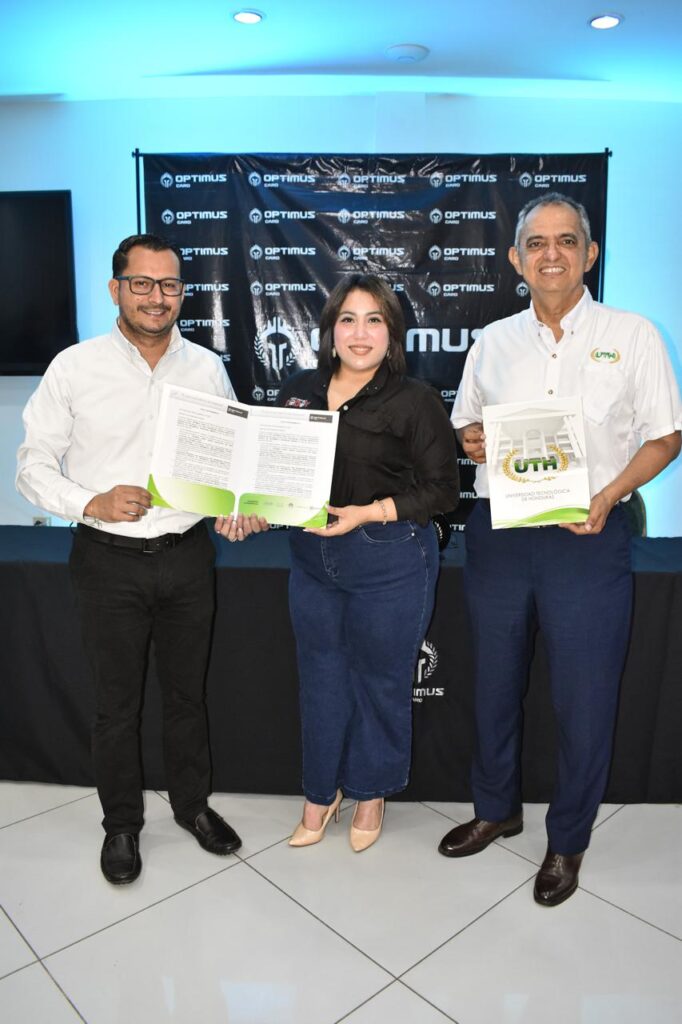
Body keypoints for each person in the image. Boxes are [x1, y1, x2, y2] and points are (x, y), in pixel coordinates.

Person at [442, 193, 681, 905]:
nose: (552, 254)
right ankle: (496, 809)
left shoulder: (632, 334)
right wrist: (470, 440)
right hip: (500, 534)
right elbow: (465, 427)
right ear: (515, 259)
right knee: (493, 686)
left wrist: (609, 495)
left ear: (590, 253)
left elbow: (667, 435)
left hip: (589, 534)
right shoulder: (493, 341)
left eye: (567, 241)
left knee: (584, 697)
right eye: (537, 243)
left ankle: (568, 838)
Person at [16, 233, 260, 885]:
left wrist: (240, 506)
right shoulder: (74, 367)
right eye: (143, 283)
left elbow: (233, 462)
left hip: (187, 556)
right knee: (115, 706)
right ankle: (121, 825)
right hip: (107, 561)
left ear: (183, 293)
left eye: (169, 285)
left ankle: (192, 807)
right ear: (116, 289)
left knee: (187, 697)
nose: (157, 297)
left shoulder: (205, 368)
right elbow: (31, 466)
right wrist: (90, 501)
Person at [275, 273, 459, 852]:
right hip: (311, 559)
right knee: (320, 678)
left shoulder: (415, 400)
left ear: (392, 333)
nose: (360, 333)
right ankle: (320, 792)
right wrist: (250, 510)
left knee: (381, 680)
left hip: (389, 557)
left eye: (374, 320)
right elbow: (275, 475)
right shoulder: (297, 389)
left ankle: (371, 791)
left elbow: (444, 491)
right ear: (329, 330)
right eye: (348, 319)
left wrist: (369, 512)